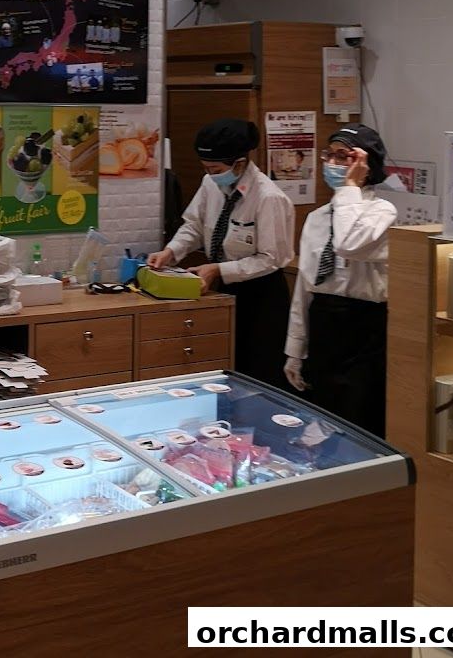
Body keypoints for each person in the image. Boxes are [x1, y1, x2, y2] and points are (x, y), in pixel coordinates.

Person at [148, 118, 294, 389]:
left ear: (239, 163)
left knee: (257, 374)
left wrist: (218, 270)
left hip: (261, 296)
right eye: (206, 168)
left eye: (215, 169)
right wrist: (171, 251)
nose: (211, 174)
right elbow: (194, 224)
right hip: (224, 290)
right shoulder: (210, 184)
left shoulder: (268, 197)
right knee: (225, 371)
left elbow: (270, 258)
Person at [283, 124, 396, 437]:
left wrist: (350, 187)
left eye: (343, 156)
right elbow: (305, 288)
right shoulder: (317, 217)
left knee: (357, 420)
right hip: (323, 322)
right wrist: (295, 350)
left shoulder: (383, 211)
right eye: (329, 155)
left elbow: (349, 243)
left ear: (365, 164)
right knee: (320, 420)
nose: (332, 163)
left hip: (364, 329)